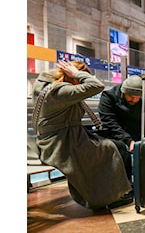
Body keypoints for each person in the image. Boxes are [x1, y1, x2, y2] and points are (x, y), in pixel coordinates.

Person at [32, 60, 132, 209]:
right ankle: (112, 196)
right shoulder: (60, 91)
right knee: (112, 148)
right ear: (72, 76)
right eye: (79, 78)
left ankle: (117, 192)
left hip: (65, 137)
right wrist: (77, 73)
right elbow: (97, 86)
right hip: (61, 144)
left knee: (114, 146)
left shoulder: (51, 87)